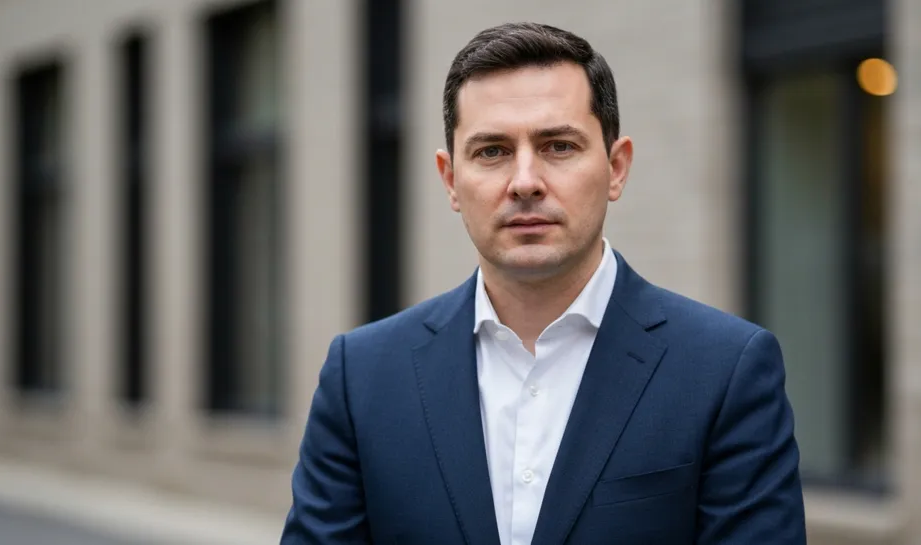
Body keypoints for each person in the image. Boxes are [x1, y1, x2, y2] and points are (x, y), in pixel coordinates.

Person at [280, 22, 806, 545]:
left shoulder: (725, 370)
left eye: (558, 146)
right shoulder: (362, 376)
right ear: (451, 180)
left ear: (616, 168)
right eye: (492, 151)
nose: (525, 182)